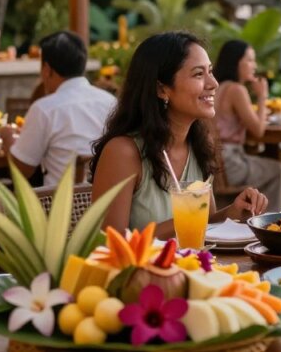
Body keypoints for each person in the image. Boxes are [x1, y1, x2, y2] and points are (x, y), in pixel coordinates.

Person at [91, 32, 267, 237]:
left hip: (194, 259)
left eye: (210, 72)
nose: (213, 83)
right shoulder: (123, 153)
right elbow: (109, 242)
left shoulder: (200, 144)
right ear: (161, 89)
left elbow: (205, 225)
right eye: (198, 74)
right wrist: (187, 221)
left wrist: (232, 213)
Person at [0, 31, 116, 187]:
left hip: (56, 201)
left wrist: (7, 138)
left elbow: (22, 171)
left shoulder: (44, 109)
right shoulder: (110, 102)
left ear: (47, 69)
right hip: (103, 198)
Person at [212, 40, 281, 211]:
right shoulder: (236, 90)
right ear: (235, 62)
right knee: (279, 171)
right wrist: (262, 95)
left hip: (217, 162)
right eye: (249, 60)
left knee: (272, 167)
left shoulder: (218, 87)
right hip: (230, 164)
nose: (254, 65)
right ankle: (271, 221)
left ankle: (258, 215)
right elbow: (258, 130)